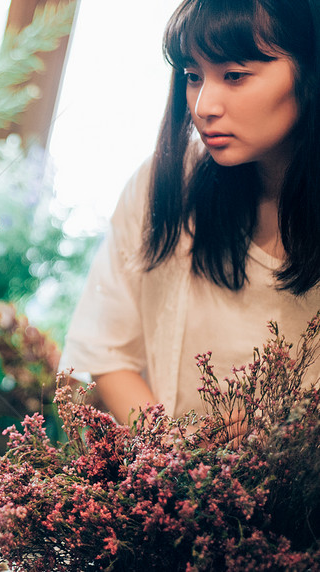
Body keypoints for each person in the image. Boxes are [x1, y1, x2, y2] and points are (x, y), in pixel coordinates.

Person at [60, 0, 320, 427]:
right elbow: (107, 350)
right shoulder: (166, 183)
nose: (203, 106)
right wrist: (180, 462)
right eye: (192, 77)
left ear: (309, 72)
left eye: (234, 76)